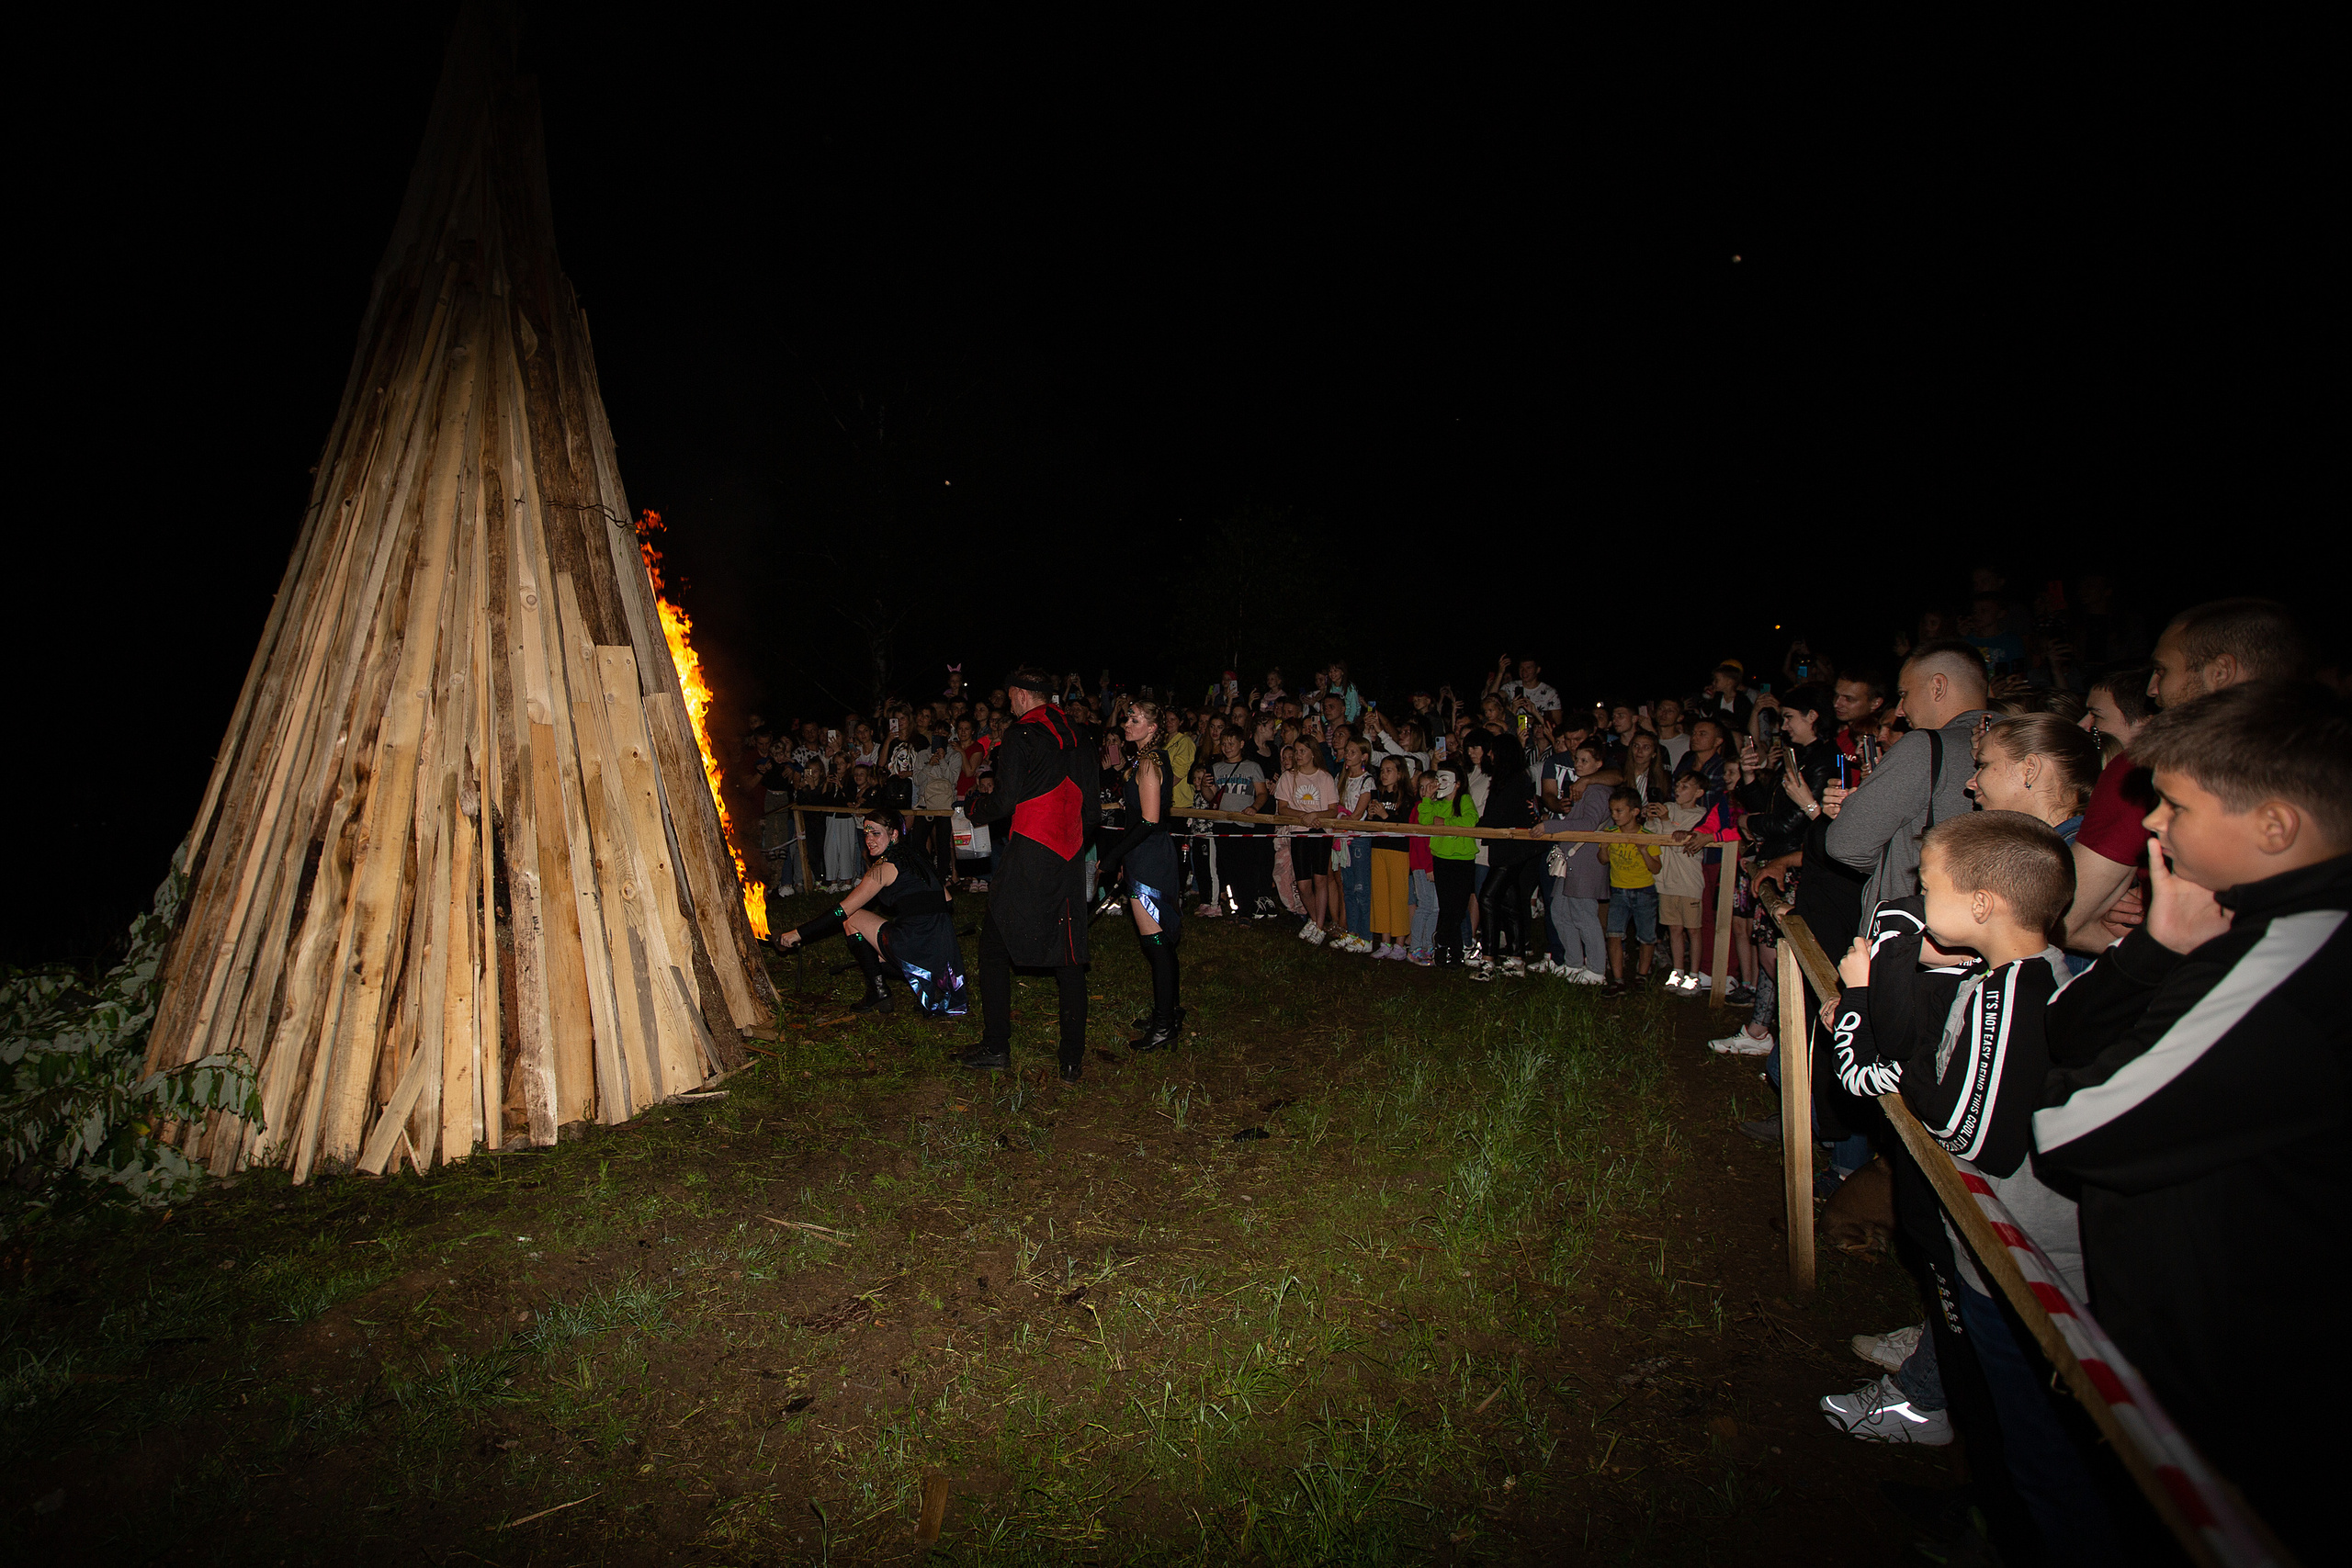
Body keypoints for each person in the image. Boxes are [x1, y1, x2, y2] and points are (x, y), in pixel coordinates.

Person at [2035, 681, 2347, 1560]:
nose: (2154, 827)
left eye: (2173, 804)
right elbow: (2068, 1030)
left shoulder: (2298, 953)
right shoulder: (2239, 922)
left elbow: (2073, 1124)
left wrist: (2082, 1069)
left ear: (2275, 825)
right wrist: (2158, 952)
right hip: (2197, 1345)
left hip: (2249, 1383)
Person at [1821, 812, 2120, 1561]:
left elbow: (1954, 1121)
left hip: (2023, 1269)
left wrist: (1858, 1003)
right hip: (2001, 1256)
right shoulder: (2002, 978)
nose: (1919, 900)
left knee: (2039, 1448)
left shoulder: (2011, 994)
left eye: (1929, 886)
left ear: (1982, 903)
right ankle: (1989, 1519)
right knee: (2004, 1428)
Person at [958, 668, 1100, 1082]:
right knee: (1069, 955)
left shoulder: (1020, 736)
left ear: (1020, 695)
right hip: (1069, 853)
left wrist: (973, 810)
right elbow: (1091, 811)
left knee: (992, 947)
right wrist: (1070, 839)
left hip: (1029, 852)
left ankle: (996, 1046)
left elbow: (1002, 803)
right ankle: (1072, 1059)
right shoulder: (1081, 735)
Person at [1824, 639, 1992, 914]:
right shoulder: (2028, 742)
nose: (1900, 709)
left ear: (1937, 687)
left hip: (1915, 931)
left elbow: (1845, 845)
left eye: (1904, 694)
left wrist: (1897, 863)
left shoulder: (1923, 746)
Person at [774, 806, 967, 1019]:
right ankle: (927, 980)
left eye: (876, 833)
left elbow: (842, 911)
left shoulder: (883, 867)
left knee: (851, 919)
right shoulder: (917, 859)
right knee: (879, 939)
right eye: (866, 833)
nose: (869, 840)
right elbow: (948, 901)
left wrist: (797, 934)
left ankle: (879, 991)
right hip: (943, 952)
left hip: (917, 948)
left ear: (893, 834)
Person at [1096, 699, 1187, 1051]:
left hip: (1150, 856)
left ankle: (1165, 1026)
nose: (1127, 723)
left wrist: (1113, 854)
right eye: (1127, 717)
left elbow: (1149, 821)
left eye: (1135, 719)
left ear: (1152, 728)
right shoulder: (1146, 758)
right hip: (1144, 853)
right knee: (1158, 941)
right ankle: (1168, 1011)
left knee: (1157, 943)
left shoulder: (1149, 763)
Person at [1535, 740, 1612, 984]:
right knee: (1559, 910)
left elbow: (1588, 825)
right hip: (1571, 861)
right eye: (1577, 760)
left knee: (1584, 915)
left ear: (1598, 765)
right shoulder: (1584, 790)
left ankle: (1597, 969)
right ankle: (1574, 963)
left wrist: (1550, 826)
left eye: (1584, 761)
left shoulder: (1598, 792)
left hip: (1585, 861)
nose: (1578, 765)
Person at [1470, 729, 1542, 979]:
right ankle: (1516, 958)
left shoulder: (1515, 780)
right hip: (1502, 850)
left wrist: (1480, 826)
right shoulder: (1504, 780)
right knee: (1510, 904)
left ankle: (1488, 960)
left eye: (1492, 751)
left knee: (1488, 896)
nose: (1489, 755)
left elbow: (1501, 816)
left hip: (1514, 850)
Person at [1274, 739, 1341, 943]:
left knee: (1320, 879)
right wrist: (1304, 815)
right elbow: (1283, 807)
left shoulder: (1325, 778)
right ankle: (1315, 920)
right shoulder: (1288, 777)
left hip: (1321, 834)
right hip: (1299, 833)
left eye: (1303, 751)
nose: (1298, 755)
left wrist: (1315, 816)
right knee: (1303, 884)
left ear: (1313, 753)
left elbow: (1332, 809)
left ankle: (1319, 926)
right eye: (1296, 751)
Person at [1600, 785, 1663, 994]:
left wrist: (1644, 851)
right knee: (1614, 934)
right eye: (1612, 811)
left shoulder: (1647, 835)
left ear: (1635, 812)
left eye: (1619, 811)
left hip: (1644, 891)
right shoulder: (1610, 833)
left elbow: (1656, 867)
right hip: (1618, 891)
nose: (1614, 815)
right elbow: (1603, 860)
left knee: (1646, 936)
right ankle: (1618, 979)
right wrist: (1605, 848)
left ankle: (1642, 976)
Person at [1417, 763, 1479, 966]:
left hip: (1463, 860)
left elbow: (1471, 821)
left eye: (1445, 780)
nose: (1441, 784)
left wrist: (1444, 822)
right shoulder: (1437, 803)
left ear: (1457, 784)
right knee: (1446, 907)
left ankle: (1442, 941)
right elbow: (1424, 820)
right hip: (1442, 859)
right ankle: (1453, 954)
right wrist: (1427, 797)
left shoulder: (1465, 800)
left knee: (1458, 909)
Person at [1655, 772, 1711, 994]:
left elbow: (1680, 841)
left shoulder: (1702, 815)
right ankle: (1677, 972)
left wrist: (1666, 821)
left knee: (1693, 930)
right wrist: (1658, 819)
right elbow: (1658, 833)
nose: (1678, 789)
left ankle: (1694, 976)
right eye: (1677, 785)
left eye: (1685, 786)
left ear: (1699, 792)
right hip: (1667, 881)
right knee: (1674, 928)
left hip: (1689, 881)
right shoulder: (1669, 807)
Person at [1206, 729, 1272, 917]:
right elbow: (1212, 797)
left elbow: (1262, 793)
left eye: (1231, 744)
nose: (1227, 748)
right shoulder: (1217, 767)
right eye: (1224, 744)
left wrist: (1254, 808)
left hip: (1243, 824)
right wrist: (1204, 787)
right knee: (1225, 867)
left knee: (1244, 868)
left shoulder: (1252, 767)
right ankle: (1233, 905)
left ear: (1241, 744)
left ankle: (1246, 909)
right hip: (1221, 823)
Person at [1354, 755, 1416, 959]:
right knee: (1380, 896)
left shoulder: (1408, 798)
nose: (1384, 774)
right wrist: (1371, 816)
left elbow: (1405, 825)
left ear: (1400, 774)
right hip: (1378, 849)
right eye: (1382, 770)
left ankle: (1400, 943)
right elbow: (1373, 827)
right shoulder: (1379, 795)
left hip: (1398, 851)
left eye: (1389, 770)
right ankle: (1385, 940)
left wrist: (1385, 816)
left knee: (1397, 896)